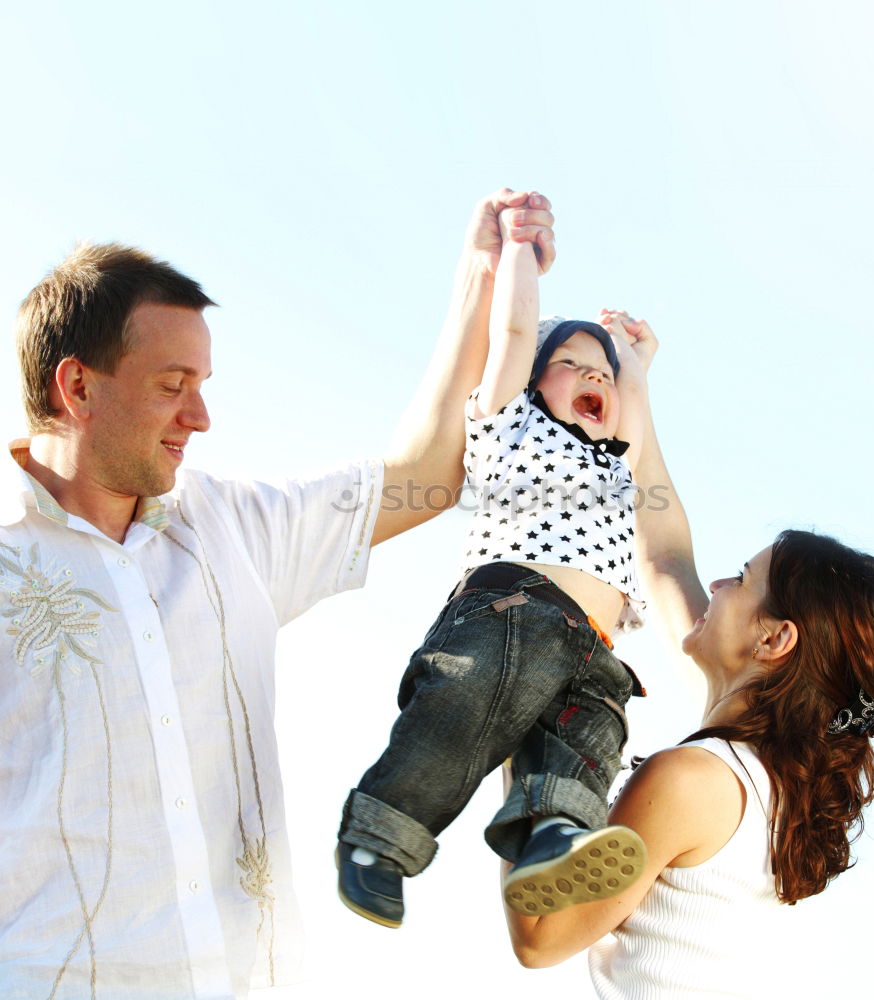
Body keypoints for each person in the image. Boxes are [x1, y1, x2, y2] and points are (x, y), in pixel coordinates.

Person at [0, 189, 554, 999]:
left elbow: (426, 477)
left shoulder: (236, 527)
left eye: (204, 382)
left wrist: (482, 271)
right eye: (171, 384)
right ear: (77, 386)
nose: (201, 415)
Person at [503, 313, 874, 999]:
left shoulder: (693, 780)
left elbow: (543, 934)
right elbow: (664, 556)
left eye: (741, 581)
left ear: (774, 640)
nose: (717, 585)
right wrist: (632, 391)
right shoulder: (767, 781)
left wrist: (512, 709)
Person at [337, 211, 655, 930]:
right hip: (513, 610)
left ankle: (553, 836)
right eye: (573, 363)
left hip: (594, 649)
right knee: (459, 714)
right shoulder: (510, 422)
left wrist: (634, 358)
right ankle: (378, 840)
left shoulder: (614, 462)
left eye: (601, 370)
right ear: (534, 381)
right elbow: (512, 335)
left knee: (585, 738)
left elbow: (631, 400)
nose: (594, 376)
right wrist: (519, 259)